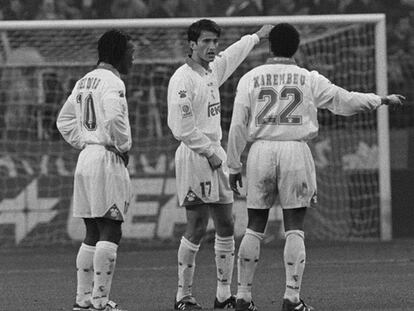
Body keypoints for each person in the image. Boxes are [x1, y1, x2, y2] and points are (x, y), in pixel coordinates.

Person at [226, 23, 405, 311]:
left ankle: (243, 297)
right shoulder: (308, 78)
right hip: (295, 150)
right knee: (294, 227)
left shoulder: (250, 78)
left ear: (269, 47)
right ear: (297, 48)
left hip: (260, 151)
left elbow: (237, 126)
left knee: (254, 225)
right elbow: (344, 100)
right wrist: (380, 99)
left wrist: (233, 164)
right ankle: (291, 298)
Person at [167, 19, 273, 310]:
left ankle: (224, 295)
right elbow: (181, 127)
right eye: (206, 42)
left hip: (216, 152)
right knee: (197, 225)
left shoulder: (212, 70)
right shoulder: (182, 78)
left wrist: (256, 36)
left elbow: (233, 55)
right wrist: (209, 153)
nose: (212, 47)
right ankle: (183, 296)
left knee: (227, 223)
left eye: (215, 41)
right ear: (192, 44)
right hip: (195, 153)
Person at [57, 29, 135, 311]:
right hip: (105, 158)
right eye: (131, 52)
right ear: (119, 53)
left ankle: (83, 300)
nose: (133, 58)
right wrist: (122, 145)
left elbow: (64, 121)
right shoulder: (113, 82)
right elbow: (114, 116)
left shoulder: (84, 81)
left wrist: (85, 142)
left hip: (87, 158)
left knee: (92, 230)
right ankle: (101, 302)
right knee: (111, 229)